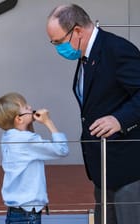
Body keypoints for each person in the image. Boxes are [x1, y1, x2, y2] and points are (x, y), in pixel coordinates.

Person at [46, 4, 140, 224]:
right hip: (104, 170)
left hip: (129, 169)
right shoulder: (86, 55)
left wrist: (120, 119)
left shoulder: (116, 50)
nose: (57, 48)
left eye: (58, 42)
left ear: (77, 31)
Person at [0, 92, 69, 224]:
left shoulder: (9, 136)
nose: (31, 107)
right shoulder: (26, 140)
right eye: (26, 108)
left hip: (16, 211)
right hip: (27, 214)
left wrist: (29, 122)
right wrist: (48, 121)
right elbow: (62, 149)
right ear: (19, 119)